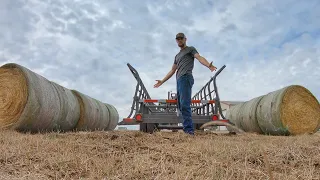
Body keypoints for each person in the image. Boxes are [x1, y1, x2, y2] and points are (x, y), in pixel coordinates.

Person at [154, 32, 217, 135]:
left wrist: (208, 65)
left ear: (185, 39)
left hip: (186, 78)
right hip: (178, 80)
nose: (179, 40)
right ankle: (186, 127)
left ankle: (189, 131)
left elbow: (199, 57)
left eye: (181, 38)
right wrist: (162, 81)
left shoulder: (190, 49)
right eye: (177, 39)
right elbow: (172, 70)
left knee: (184, 104)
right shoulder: (177, 56)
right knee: (180, 105)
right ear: (176, 40)